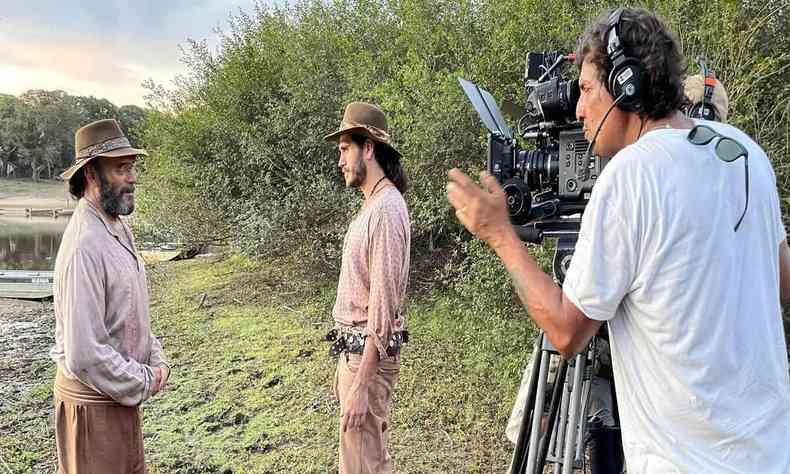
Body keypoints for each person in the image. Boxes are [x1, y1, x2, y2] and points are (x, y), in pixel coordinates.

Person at [447, 7, 790, 473]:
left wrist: (500, 234)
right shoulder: (745, 153)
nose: (578, 108)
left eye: (586, 89)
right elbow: (782, 280)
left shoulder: (632, 174)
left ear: (626, 85)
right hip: (770, 453)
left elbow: (567, 333)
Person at [505, 63, 733, 448]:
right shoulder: (735, 167)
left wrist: (500, 234)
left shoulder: (640, 172)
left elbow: (568, 331)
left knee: (590, 396)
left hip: (660, 368)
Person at [51, 118, 170, 474]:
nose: (132, 178)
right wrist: (145, 379)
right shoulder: (84, 245)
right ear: (90, 173)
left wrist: (155, 356)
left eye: (131, 167)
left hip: (119, 399)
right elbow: (84, 354)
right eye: (121, 168)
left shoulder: (116, 225)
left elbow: (131, 313)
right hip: (93, 410)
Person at [324, 102, 411, 473]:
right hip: (355, 353)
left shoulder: (387, 209)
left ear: (369, 148)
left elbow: (383, 304)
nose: (340, 160)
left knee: (364, 467)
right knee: (357, 462)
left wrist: (361, 382)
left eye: (345, 149)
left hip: (367, 358)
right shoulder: (372, 205)